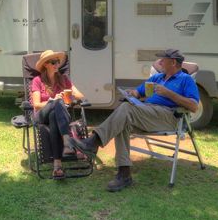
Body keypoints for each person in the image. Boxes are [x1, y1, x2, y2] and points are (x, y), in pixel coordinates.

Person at [68, 48, 199, 191]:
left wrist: (169, 94)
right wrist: (132, 93)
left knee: (126, 109)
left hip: (169, 116)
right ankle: (124, 174)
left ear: (173, 62)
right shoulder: (157, 78)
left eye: (163, 60)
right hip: (148, 112)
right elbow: (139, 91)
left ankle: (94, 142)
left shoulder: (185, 79)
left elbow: (194, 106)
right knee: (122, 123)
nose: (160, 62)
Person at [30, 49, 85, 180]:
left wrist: (69, 94)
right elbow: (36, 104)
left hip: (58, 116)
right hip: (41, 115)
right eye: (53, 62)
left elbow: (81, 96)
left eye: (58, 61)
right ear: (45, 64)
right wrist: (53, 100)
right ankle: (67, 141)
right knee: (56, 103)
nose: (57, 64)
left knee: (54, 115)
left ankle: (57, 165)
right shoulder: (37, 80)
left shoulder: (63, 79)